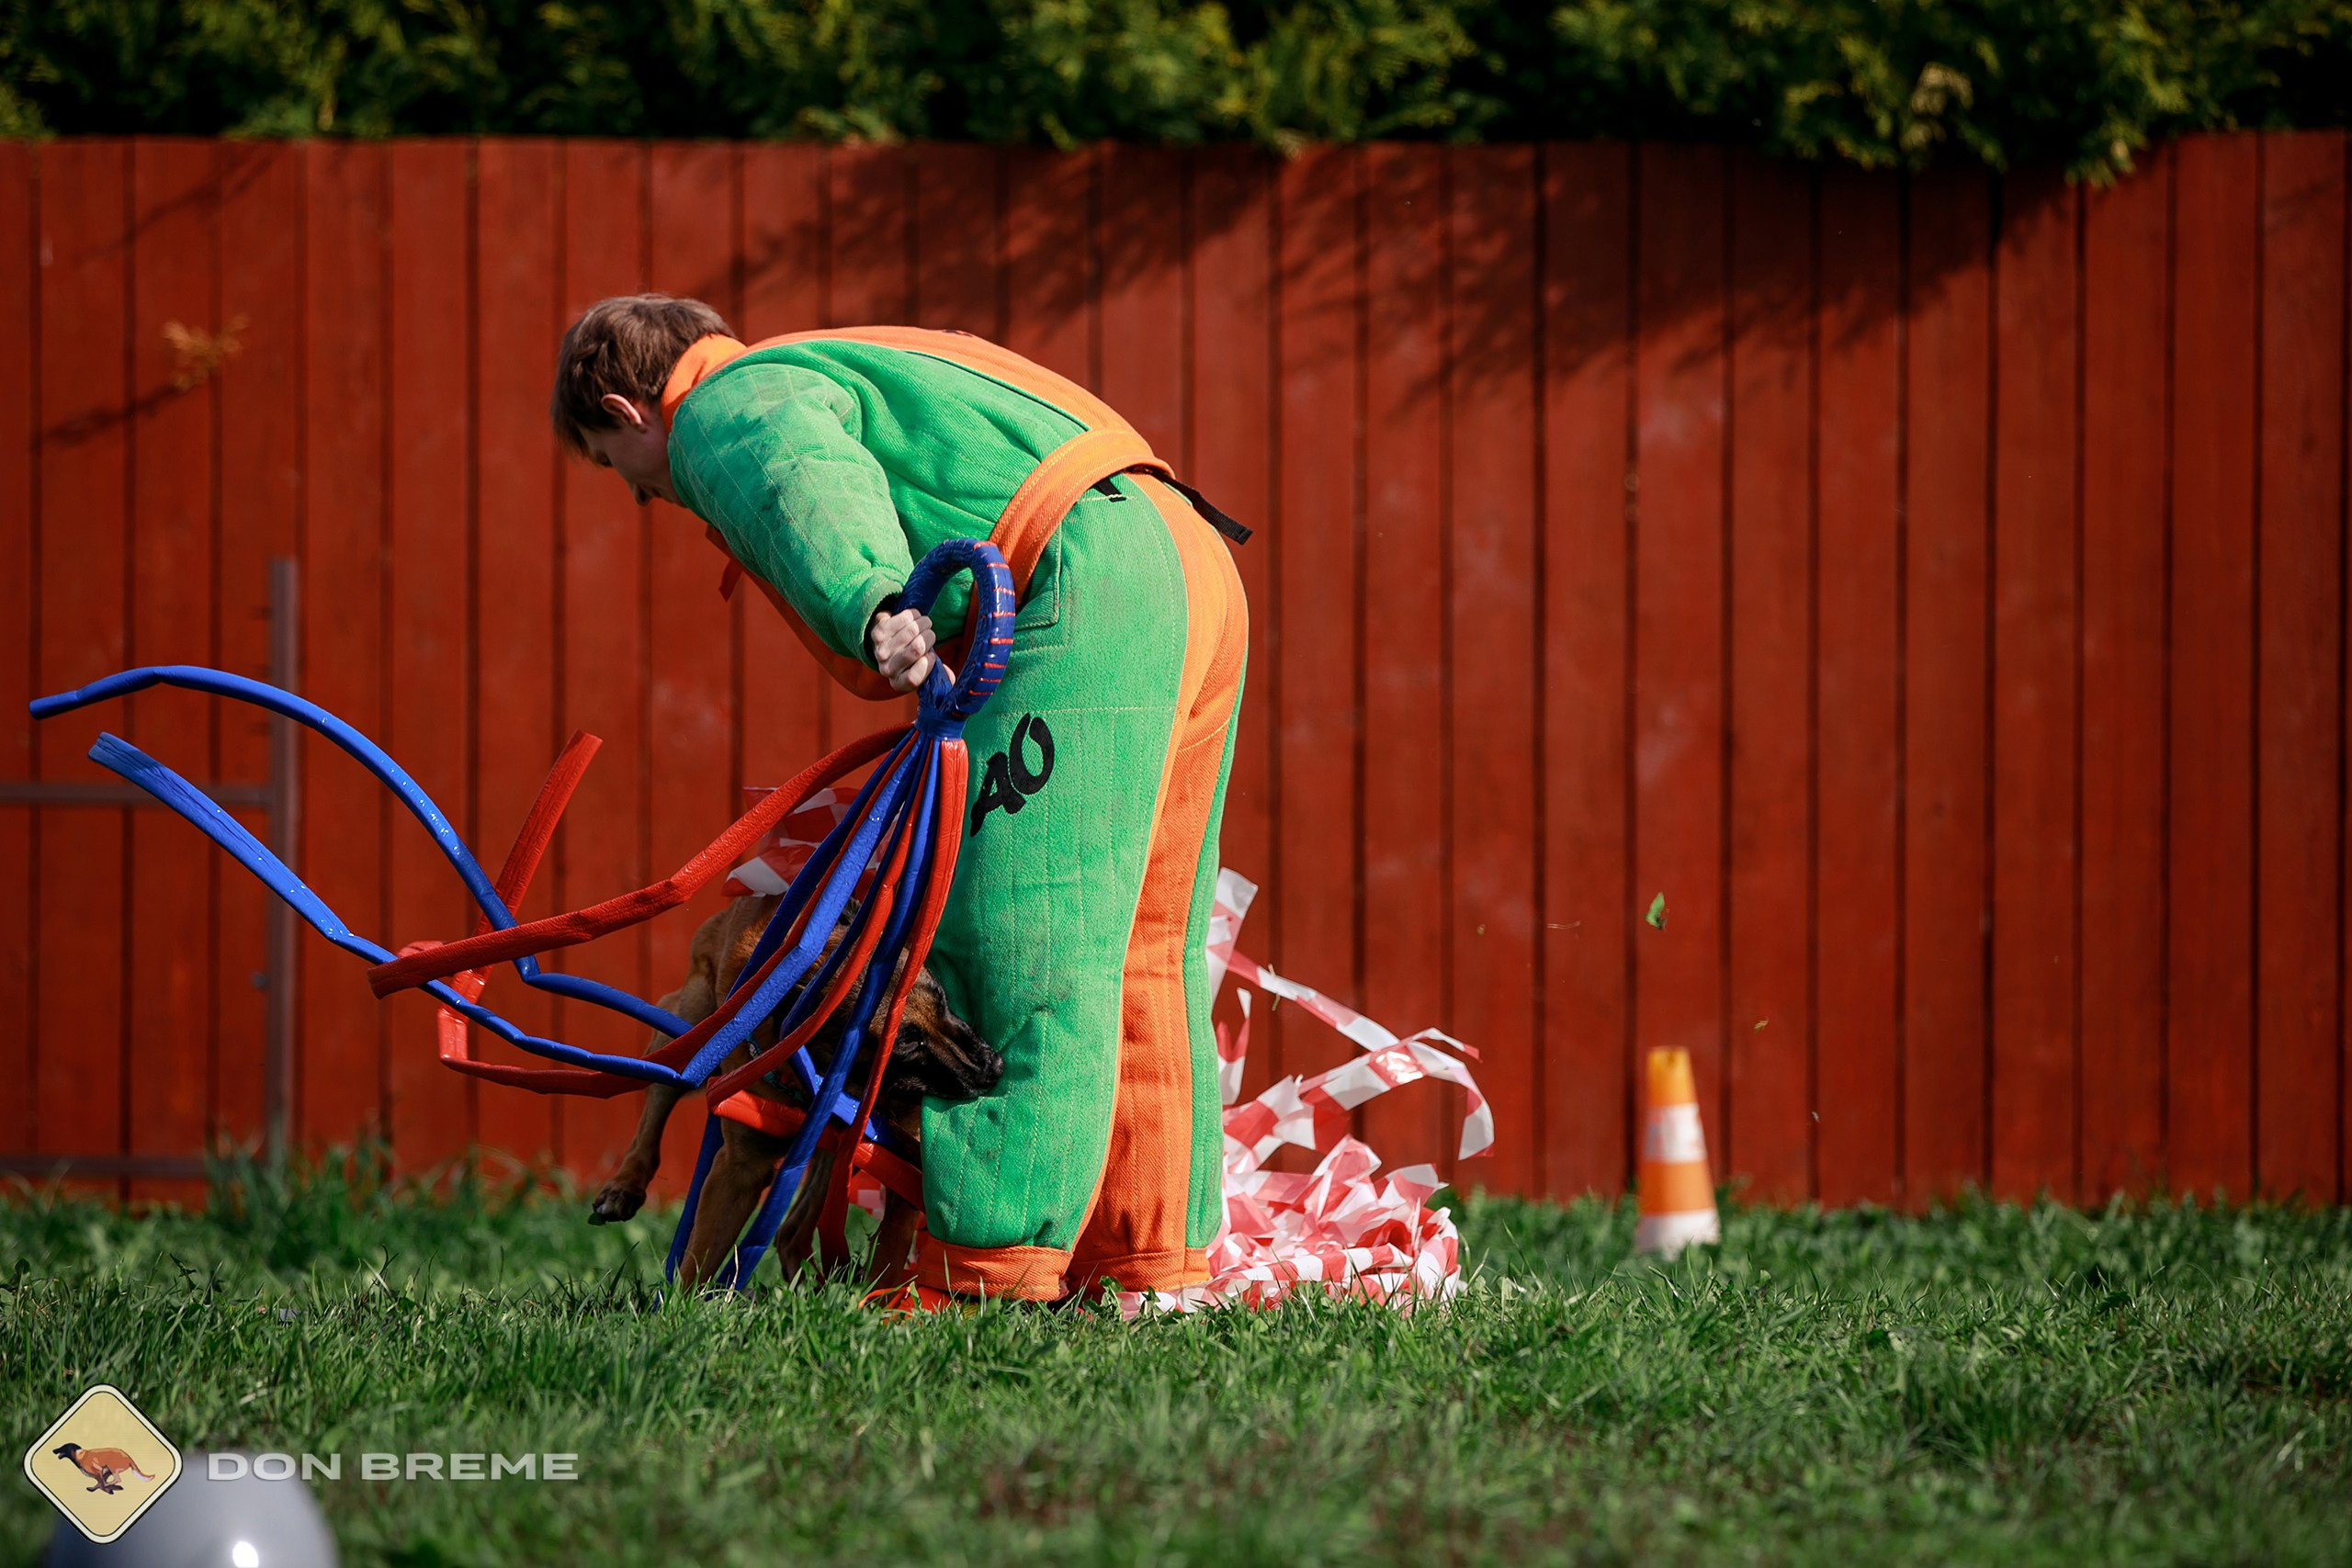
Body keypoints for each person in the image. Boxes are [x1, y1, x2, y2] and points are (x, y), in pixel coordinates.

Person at [548, 294, 1249, 1306]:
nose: (654, 498)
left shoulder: (725, 404)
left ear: (626, 410)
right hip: (1179, 560)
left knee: (1019, 941)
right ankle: (1151, 1271)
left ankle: (983, 1277)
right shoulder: (851, 355)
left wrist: (876, 601)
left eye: (630, 479)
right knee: (1146, 945)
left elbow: (797, 475)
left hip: (1073, 583)